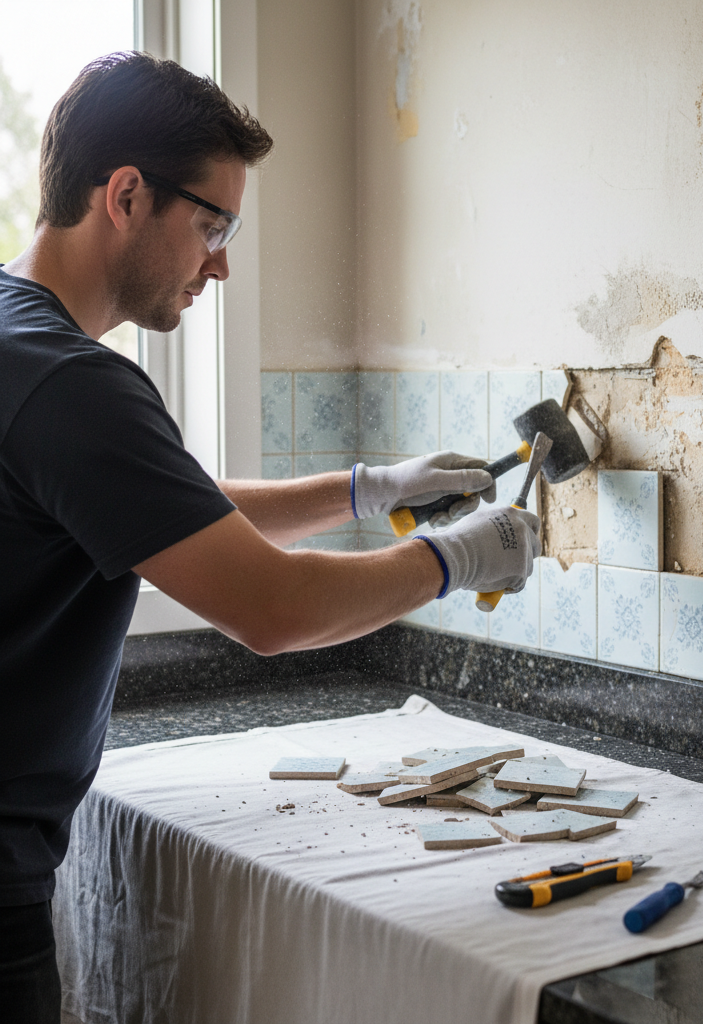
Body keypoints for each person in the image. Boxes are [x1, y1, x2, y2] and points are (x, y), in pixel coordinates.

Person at [0, 52, 541, 1022]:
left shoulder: (16, 338)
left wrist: (365, 490)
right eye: (213, 224)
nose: (221, 262)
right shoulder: (74, 380)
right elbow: (274, 609)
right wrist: (456, 558)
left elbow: (162, 502)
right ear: (126, 193)